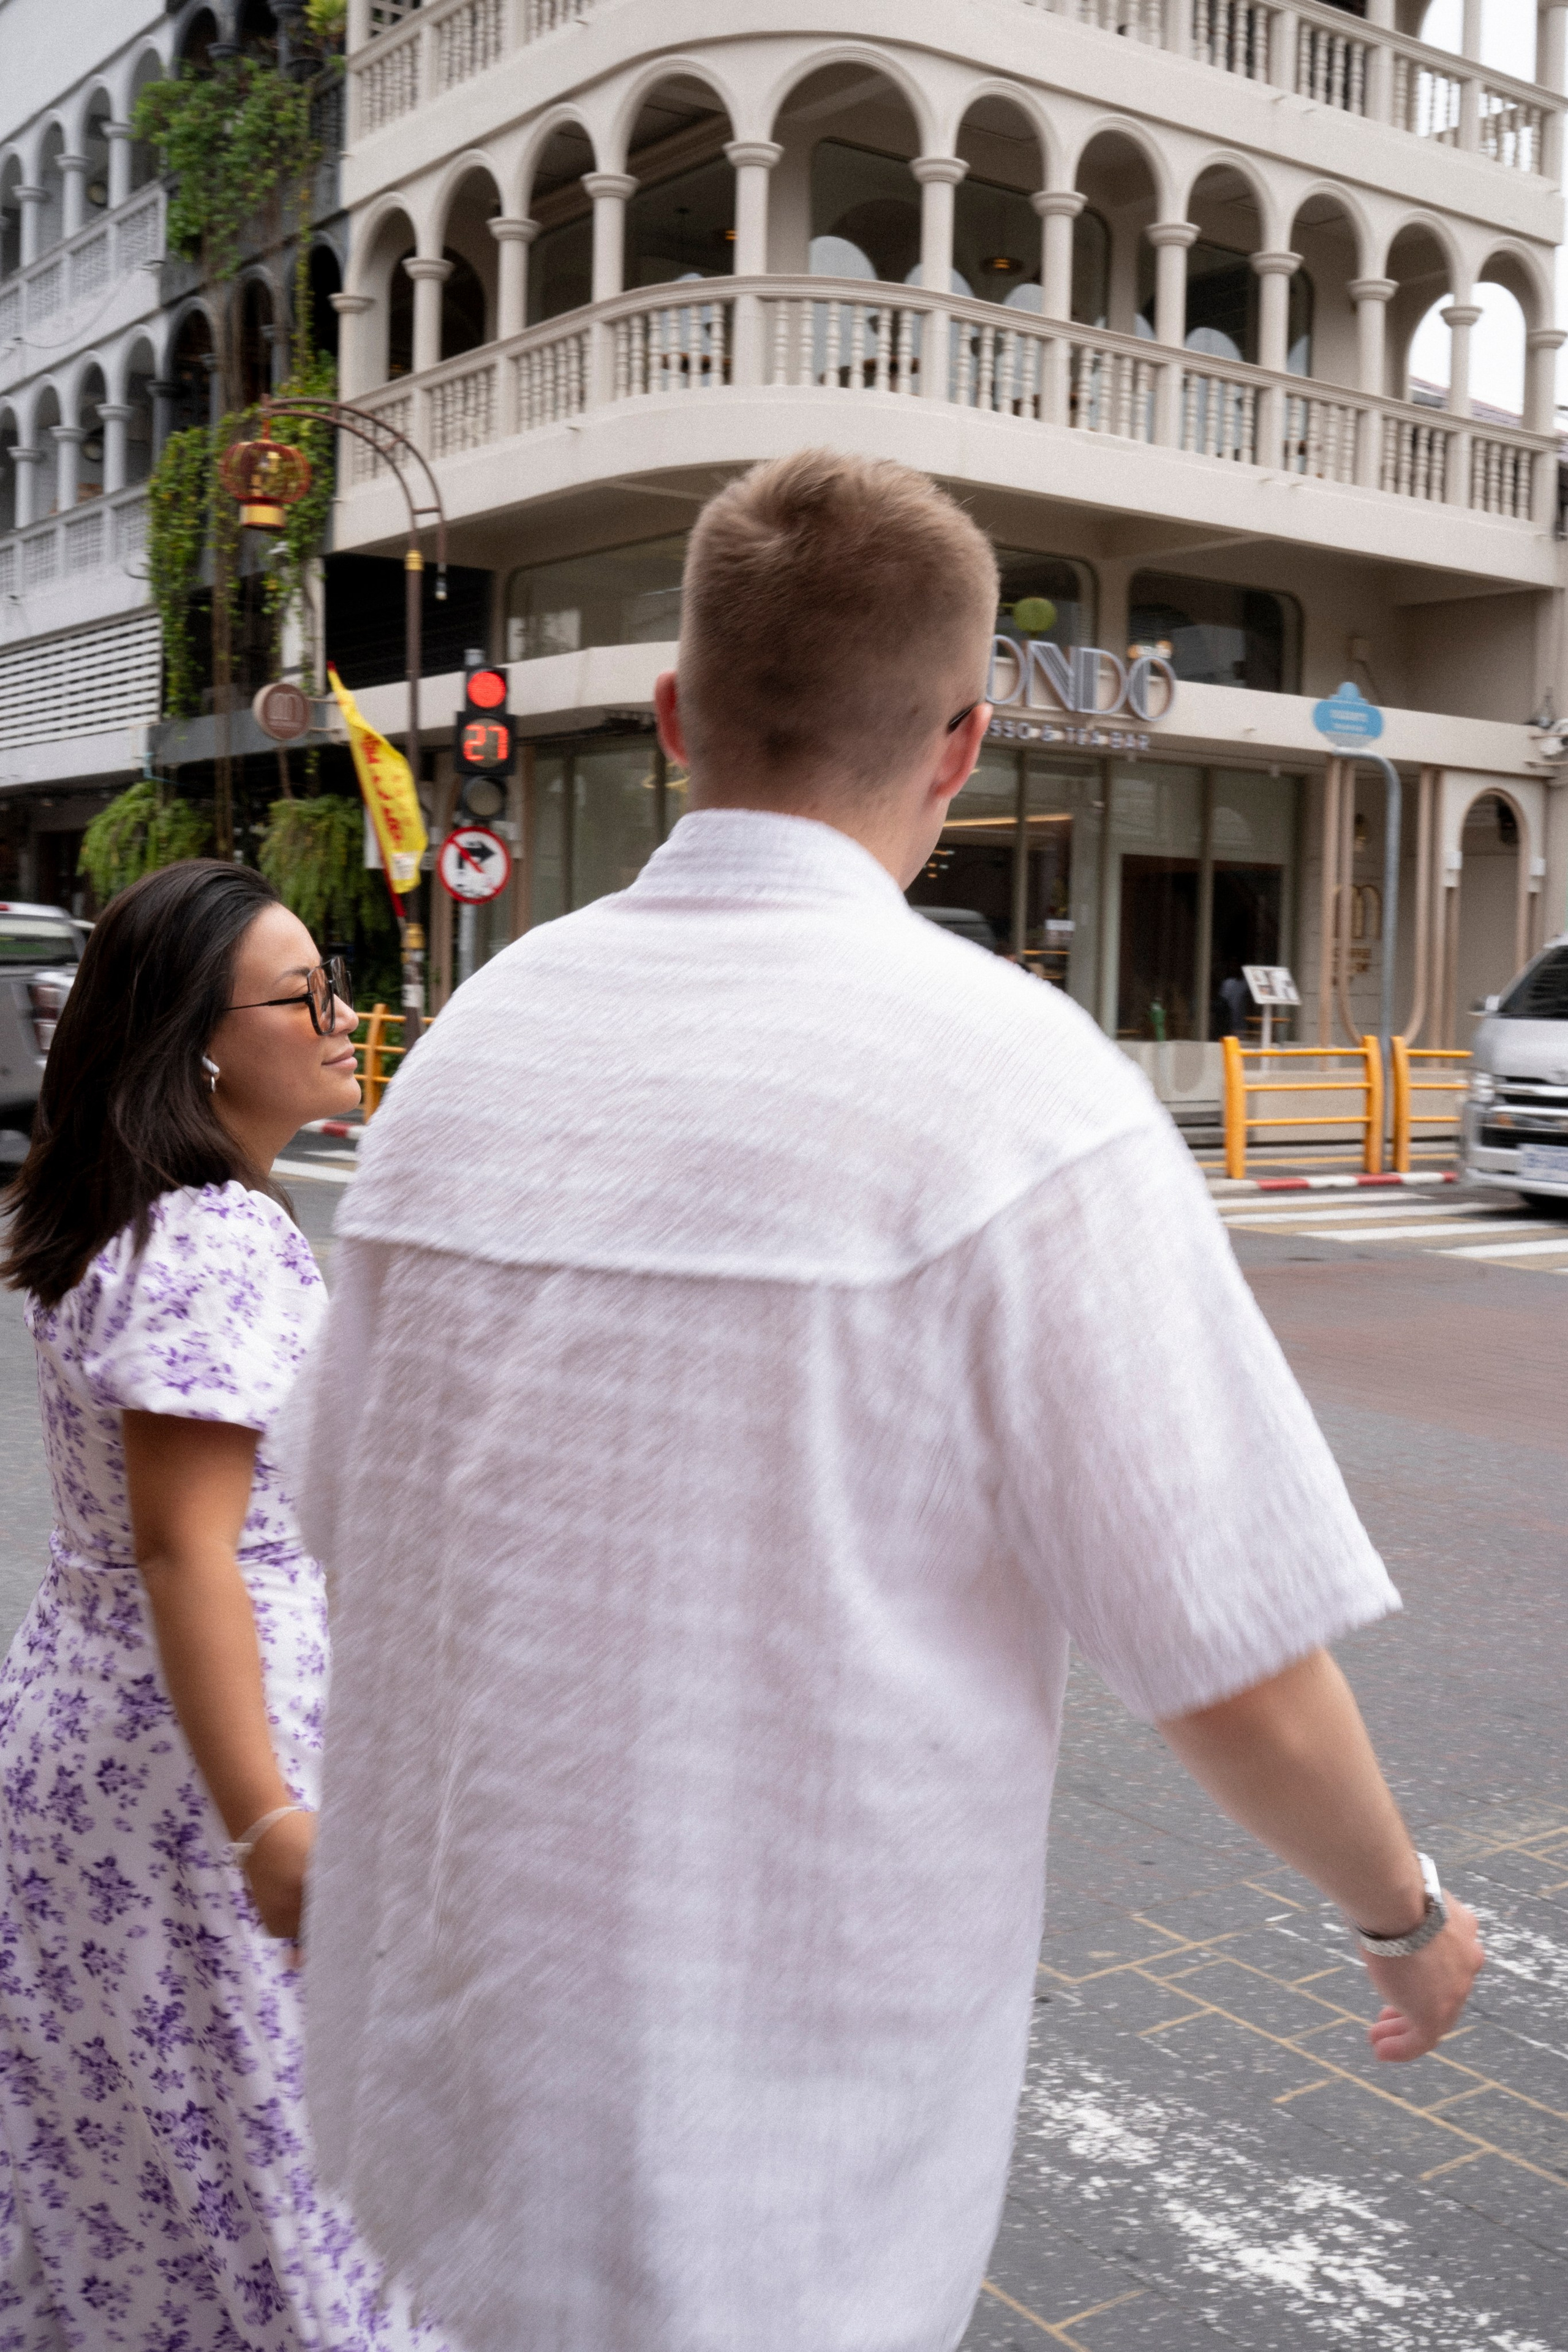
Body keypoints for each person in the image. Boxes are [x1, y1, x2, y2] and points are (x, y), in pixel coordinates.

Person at [285, 453, 1483, 2352]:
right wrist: (1405, 1918)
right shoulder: (1011, 1084)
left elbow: (342, 1512)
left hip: (439, 2094)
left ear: (676, 717)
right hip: (770, 2161)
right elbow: (1230, 1649)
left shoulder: (468, 1057)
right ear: (962, 746)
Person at [0, 861, 449, 2350]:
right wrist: (266, 1821)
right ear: (197, 1041)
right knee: (261, 2176)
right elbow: (187, 1550)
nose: (341, 1016)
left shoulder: (132, 1218)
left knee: (121, 2160)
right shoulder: (210, 1235)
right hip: (193, 1772)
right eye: (304, 993)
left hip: (97, 1741)